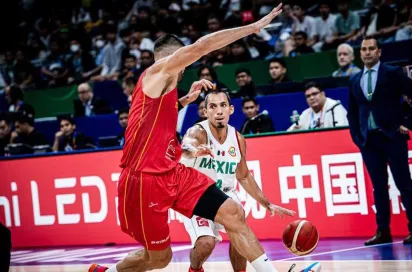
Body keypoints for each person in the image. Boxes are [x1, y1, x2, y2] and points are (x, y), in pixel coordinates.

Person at [89, 4, 284, 272]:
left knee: (234, 214)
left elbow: (152, 118)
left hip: (173, 174)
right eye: (182, 62)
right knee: (159, 259)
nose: (185, 69)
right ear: (172, 58)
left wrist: (183, 101)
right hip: (143, 182)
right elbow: (203, 46)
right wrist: (252, 28)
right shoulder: (158, 72)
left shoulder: (162, 90)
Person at [180, 90, 294, 272]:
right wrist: (193, 151)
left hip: (224, 193)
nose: (218, 111)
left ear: (231, 109)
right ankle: (195, 268)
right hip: (196, 196)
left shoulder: (238, 139)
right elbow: (186, 145)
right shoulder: (198, 132)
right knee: (206, 243)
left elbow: (243, 176)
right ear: (205, 111)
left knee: (238, 231)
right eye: (213, 106)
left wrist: (267, 204)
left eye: (223, 105)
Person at [347, 36, 412, 246]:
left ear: (379, 52)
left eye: (372, 48)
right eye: (364, 49)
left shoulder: (391, 73)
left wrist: (408, 123)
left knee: (404, 184)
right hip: (369, 141)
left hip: (393, 136)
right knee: (378, 187)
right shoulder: (354, 80)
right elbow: (353, 113)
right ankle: (383, 231)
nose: (367, 52)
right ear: (360, 53)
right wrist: (357, 137)